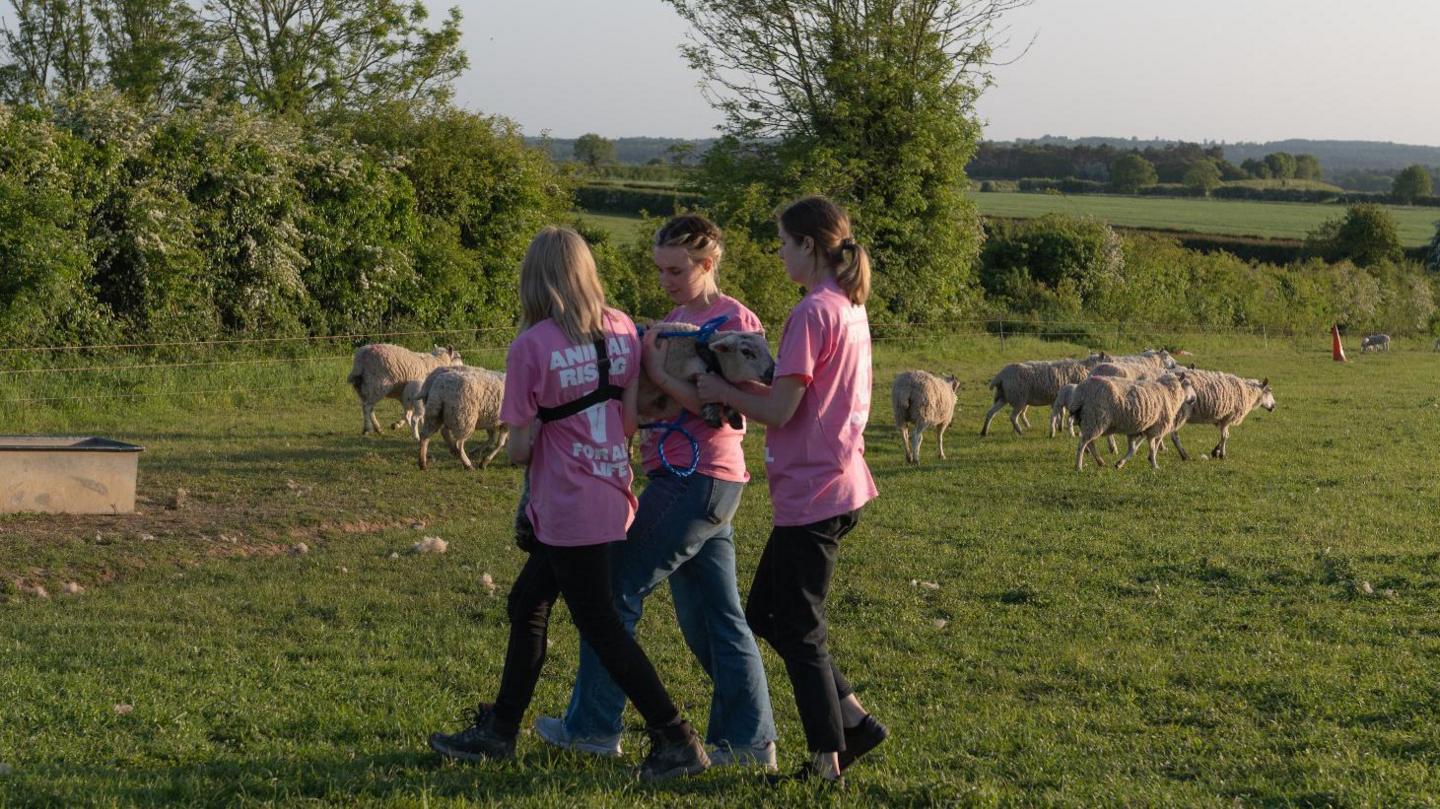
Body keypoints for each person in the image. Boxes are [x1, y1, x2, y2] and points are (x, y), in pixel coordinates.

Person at [427, 226, 709, 781]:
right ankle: (501, 729)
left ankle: (675, 737)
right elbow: (628, 421)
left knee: (599, 625)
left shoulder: (532, 346)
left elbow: (521, 449)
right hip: (610, 492)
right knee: (527, 603)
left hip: (565, 506)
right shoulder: (622, 328)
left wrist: (548, 428)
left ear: (534, 279)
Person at [533, 215, 779, 769]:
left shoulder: (733, 320)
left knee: (615, 591)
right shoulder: (673, 320)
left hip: (697, 478)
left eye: (677, 269)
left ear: (708, 263)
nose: (665, 280)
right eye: (660, 269)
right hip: (692, 481)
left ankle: (593, 727)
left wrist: (658, 376)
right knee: (715, 617)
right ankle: (748, 742)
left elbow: (727, 413)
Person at [696, 196, 887, 785]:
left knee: (799, 629)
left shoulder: (812, 311)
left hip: (815, 489)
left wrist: (720, 390)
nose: (778, 252)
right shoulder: (847, 306)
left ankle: (827, 762)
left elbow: (780, 408)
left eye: (782, 242)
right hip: (837, 479)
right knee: (766, 612)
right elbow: (798, 393)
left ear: (808, 245)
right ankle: (853, 719)